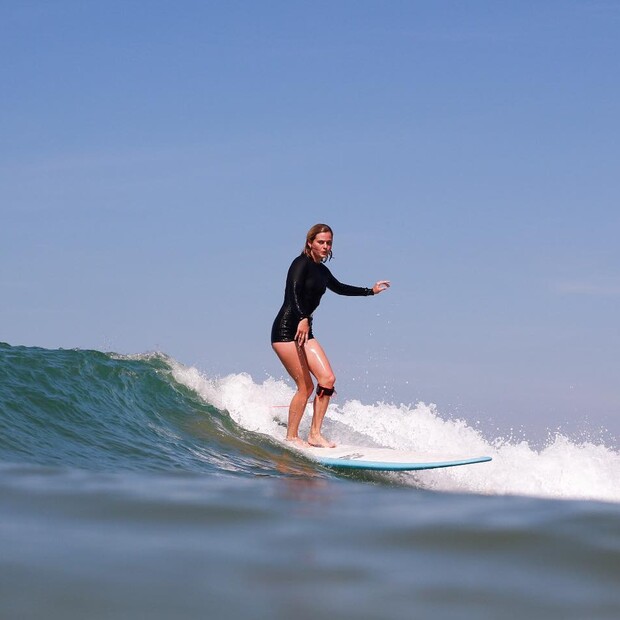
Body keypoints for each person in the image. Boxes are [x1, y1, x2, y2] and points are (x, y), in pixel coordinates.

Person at [271, 223, 390, 448]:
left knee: (327, 380)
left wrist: (370, 291)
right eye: (321, 242)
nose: (325, 246)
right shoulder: (300, 264)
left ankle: (315, 434)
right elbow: (292, 293)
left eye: (329, 243)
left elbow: (340, 287)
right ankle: (292, 437)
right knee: (305, 386)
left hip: (305, 330)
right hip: (286, 330)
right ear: (310, 243)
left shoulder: (322, 271)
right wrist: (303, 317)